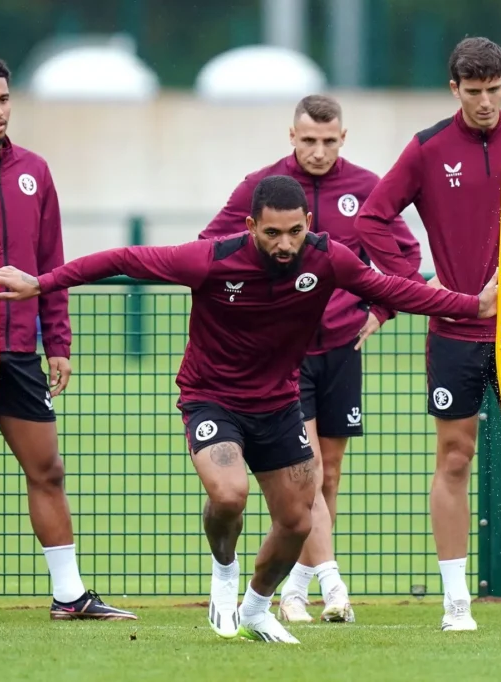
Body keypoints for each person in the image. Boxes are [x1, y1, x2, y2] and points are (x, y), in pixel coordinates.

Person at [0, 175, 497, 644]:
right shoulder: (210, 259)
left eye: (294, 232)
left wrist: (472, 305)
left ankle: (255, 607)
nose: (285, 244)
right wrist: (41, 283)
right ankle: (224, 573)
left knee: (297, 520)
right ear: (251, 226)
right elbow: (122, 259)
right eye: (272, 233)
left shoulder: (328, 258)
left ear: (308, 225)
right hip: (211, 398)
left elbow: (394, 289)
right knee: (229, 494)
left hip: (278, 403)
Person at [353, 37, 501, 631]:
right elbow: (372, 216)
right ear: (454, 89)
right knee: (455, 458)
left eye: (492, 91)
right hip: (455, 332)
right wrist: (413, 285)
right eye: (472, 93)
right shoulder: (427, 149)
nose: (484, 104)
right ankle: (455, 604)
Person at [0, 51, 136, 623]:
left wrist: (58, 342)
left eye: (4, 99)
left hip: (19, 352)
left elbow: (51, 263)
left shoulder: (33, 171)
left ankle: (69, 595)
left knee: (48, 470)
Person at [200, 94, 422, 623]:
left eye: (328, 141)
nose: (318, 151)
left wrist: (382, 307)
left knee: (331, 473)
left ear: (343, 138)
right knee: (311, 469)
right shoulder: (263, 188)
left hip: (342, 347)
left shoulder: (367, 188)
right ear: (291, 137)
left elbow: (406, 256)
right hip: (284, 354)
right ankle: (331, 583)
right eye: (308, 141)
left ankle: (296, 589)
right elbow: (211, 246)